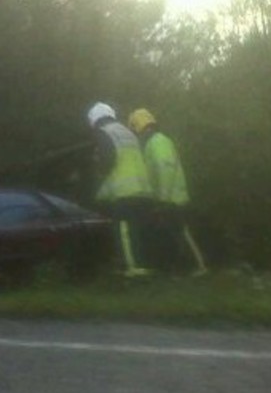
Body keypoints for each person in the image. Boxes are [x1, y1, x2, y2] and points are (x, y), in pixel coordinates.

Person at [127, 108, 208, 276]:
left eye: (133, 128)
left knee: (181, 233)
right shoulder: (156, 141)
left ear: (137, 126)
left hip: (171, 199)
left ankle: (199, 267)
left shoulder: (157, 141)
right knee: (172, 235)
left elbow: (165, 169)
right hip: (167, 198)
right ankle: (179, 270)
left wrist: (162, 199)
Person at [87, 102, 155, 278]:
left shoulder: (103, 132)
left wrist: (99, 171)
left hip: (124, 189)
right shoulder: (126, 132)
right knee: (135, 229)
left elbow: (108, 160)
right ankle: (142, 265)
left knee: (123, 229)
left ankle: (132, 268)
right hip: (141, 187)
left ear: (94, 120)